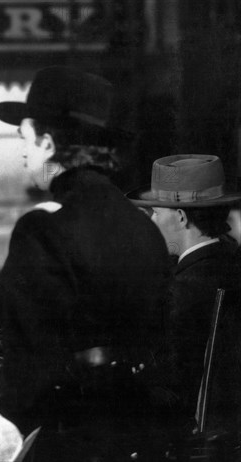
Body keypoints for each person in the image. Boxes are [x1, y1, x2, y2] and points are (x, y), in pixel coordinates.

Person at [0, 66, 174, 461]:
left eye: (26, 139)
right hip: (142, 432)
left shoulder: (43, 226)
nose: (21, 152)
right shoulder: (144, 226)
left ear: (49, 144)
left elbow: (27, 368)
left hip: (68, 437)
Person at [127, 154, 241, 426]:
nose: (152, 222)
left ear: (180, 217)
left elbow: (173, 386)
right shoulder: (232, 264)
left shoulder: (182, 289)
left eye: (155, 212)